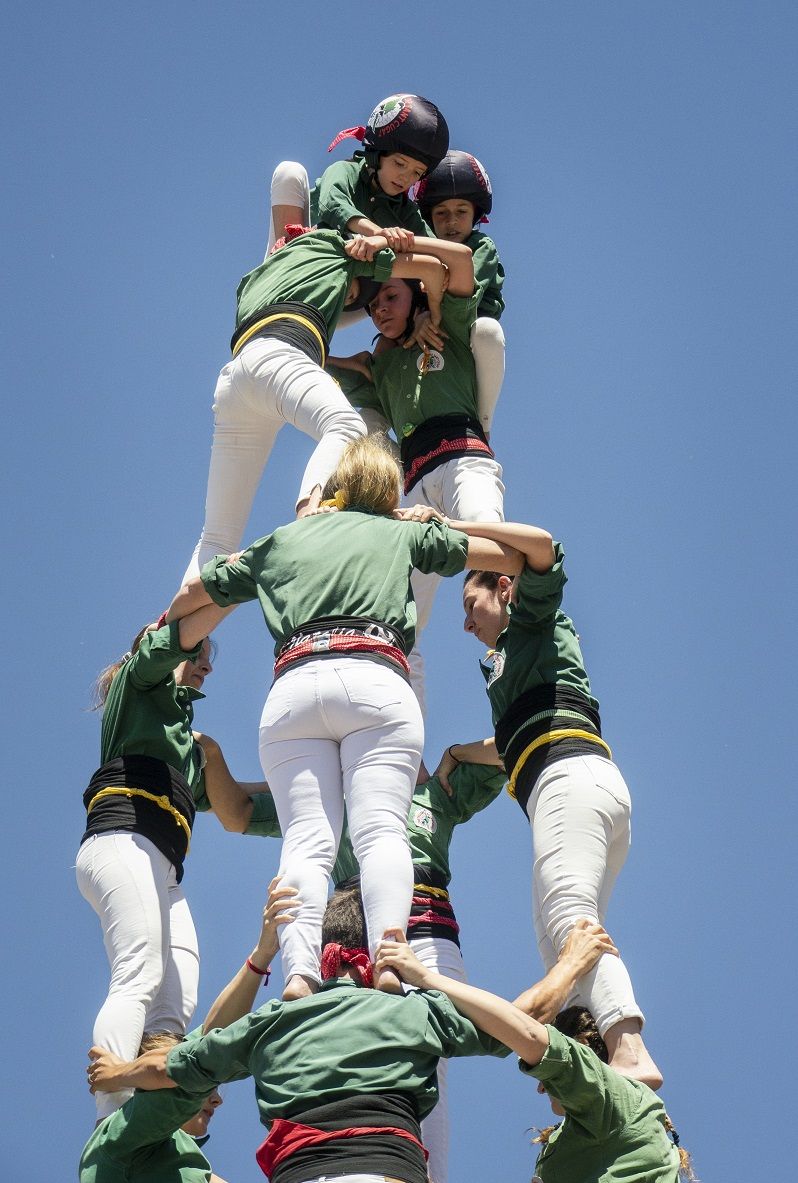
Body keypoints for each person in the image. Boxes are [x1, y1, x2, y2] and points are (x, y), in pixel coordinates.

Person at [167, 435, 522, 999]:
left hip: (294, 688)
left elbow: (192, 593)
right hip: (376, 677)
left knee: (306, 844)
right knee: (382, 830)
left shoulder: (284, 538)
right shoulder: (400, 531)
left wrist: (168, 636)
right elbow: (502, 557)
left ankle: (301, 974)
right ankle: (386, 960)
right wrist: (427, 523)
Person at [429, 514, 663, 1088]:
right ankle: (598, 1055)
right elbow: (516, 743)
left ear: (503, 588)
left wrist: (448, 523)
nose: (465, 623)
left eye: (470, 605)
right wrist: (461, 752)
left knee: (568, 920)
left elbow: (542, 546)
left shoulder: (531, 620)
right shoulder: (514, 661)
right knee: (553, 939)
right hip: (576, 783)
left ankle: (629, 1052)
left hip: (568, 782)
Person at [182, 223, 471, 583]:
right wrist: (429, 306)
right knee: (345, 426)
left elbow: (327, 355)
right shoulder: (337, 251)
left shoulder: (258, 275)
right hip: (281, 354)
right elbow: (430, 269)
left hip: (236, 378)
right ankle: (310, 516)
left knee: (216, 537)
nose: (355, 302)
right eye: (361, 296)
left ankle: (171, 629)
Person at [76, 613, 263, 1121]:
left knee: (174, 1007)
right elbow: (174, 629)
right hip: (122, 842)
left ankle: (153, 1117)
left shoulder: (186, 745)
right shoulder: (138, 687)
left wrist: (321, 782)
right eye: (199, 653)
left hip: (162, 867)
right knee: (139, 972)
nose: (207, 666)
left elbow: (238, 805)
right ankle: (110, 1120)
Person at [328, 238, 504, 717]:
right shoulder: (379, 365)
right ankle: (409, 756)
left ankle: (525, 652)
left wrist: (384, 248)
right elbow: (317, 360)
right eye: (373, 304)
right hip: (414, 490)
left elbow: (460, 264)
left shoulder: (448, 323)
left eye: (392, 297)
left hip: (464, 456)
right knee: (399, 625)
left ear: (417, 296)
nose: (381, 309)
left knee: (491, 549)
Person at [375, 937, 690, 1183]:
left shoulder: (613, 1102)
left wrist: (427, 977)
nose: (541, 1088)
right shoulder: (608, 1110)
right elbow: (526, 1033)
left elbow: (525, 1032)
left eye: (546, 1078)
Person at [331, 759, 505, 1182]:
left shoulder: (435, 795)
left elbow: (512, 750)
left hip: (427, 934)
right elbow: (238, 810)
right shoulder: (330, 804)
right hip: (351, 942)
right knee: (356, 1058)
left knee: (428, 1062)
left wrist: (457, 752)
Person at [81, 880, 299, 1182]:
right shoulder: (120, 1139)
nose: (218, 1100)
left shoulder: (176, 1156)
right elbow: (180, 1066)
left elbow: (196, 1050)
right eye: (211, 1088)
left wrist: (262, 954)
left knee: (160, 999)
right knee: (137, 984)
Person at [264, 93, 448, 257]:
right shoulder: (345, 170)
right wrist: (378, 234)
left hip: (349, 285)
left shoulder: (405, 210)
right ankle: (283, 260)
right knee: (290, 171)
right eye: (399, 164)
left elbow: (434, 246)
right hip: (308, 252)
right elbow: (333, 203)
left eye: (417, 172)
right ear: (377, 153)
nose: (405, 177)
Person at [415, 149, 506, 437]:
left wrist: (430, 306)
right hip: (430, 334)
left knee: (488, 331)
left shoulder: (481, 247)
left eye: (461, 212)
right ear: (429, 218)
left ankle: (483, 421)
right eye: (441, 213)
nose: (451, 221)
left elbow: (463, 290)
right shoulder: (422, 246)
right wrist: (418, 317)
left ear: (475, 215)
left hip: (466, 333)